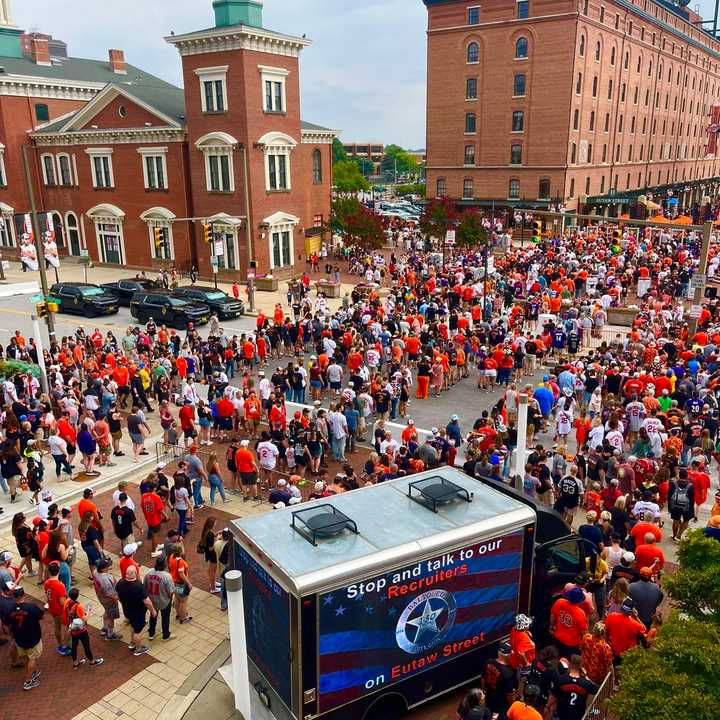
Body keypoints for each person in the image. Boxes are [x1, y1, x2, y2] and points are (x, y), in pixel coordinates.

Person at [5, 585, 44, 690]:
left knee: (27, 655)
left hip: (18, 638)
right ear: (23, 594)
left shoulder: (10, 609)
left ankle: (31, 672)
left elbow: (7, 623)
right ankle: (28, 681)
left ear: (14, 596)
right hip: (32, 638)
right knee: (32, 657)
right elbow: (41, 616)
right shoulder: (31, 607)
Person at [116, 565, 155, 656]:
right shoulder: (139, 586)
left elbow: (117, 595)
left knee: (133, 626)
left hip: (127, 611)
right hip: (138, 612)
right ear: (135, 573)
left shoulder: (120, 583)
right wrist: (153, 610)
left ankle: (132, 643)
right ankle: (138, 648)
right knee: (138, 631)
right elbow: (147, 601)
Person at [62, 587, 103, 668]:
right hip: (81, 630)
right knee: (86, 646)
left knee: (74, 645)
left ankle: (75, 663)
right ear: (77, 596)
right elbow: (85, 619)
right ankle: (92, 661)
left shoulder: (67, 602)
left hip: (73, 628)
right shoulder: (78, 607)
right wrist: (89, 612)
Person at [552, 654, 599, 720]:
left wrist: (548, 706)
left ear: (570, 664)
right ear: (580, 666)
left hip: (561, 714)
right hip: (578, 716)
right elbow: (595, 689)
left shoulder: (561, 679)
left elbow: (553, 696)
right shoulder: (585, 683)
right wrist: (586, 676)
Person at [604, 597, 648, 662]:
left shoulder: (611, 616)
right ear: (632, 611)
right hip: (628, 654)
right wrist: (636, 617)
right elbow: (644, 629)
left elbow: (606, 631)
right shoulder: (635, 624)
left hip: (614, 650)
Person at [481, 641, 518, 717]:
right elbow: (510, 694)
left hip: (489, 697)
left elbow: (483, 679)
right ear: (509, 655)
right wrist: (512, 708)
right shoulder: (508, 673)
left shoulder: (488, 662)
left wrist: (484, 690)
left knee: (489, 715)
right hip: (501, 703)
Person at [143, 555, 175, 642]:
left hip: (152, 600)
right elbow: (171, 591)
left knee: (153, 616)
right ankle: (165, 635)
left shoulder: (149, 572)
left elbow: (144, 586)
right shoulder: (167, 576)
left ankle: (151, 633)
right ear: (165, 565)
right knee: (165, 618)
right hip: (164, 601)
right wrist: (170, 599)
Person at [549, 588, 589, 657]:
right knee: (568, 661)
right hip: (572, 643)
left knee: (559, 656)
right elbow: (583, 631)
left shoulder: (559, 602)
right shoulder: (580, 613)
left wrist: (551, 626)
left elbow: (552, 616)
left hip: (558, 637)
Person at [91, 557, 122, 640]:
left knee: (107, 612)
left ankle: (104, 628)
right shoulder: (105, 579)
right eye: (108, 565)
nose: (110, 565)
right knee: (111, 617)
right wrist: (119, 599)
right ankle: (110, 634)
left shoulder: (95, 572)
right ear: (104, 569)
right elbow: (110, 594)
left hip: (101, 598)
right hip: (110, 601)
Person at [44, 561, 70, 656]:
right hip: (60, 610)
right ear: (58, 571)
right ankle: (66, 645)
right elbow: (63, 602)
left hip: (52, 608)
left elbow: (47, 595)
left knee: (57, 626)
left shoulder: (47, 582)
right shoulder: (60, 585)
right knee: (69, 626)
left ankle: (60, 644)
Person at [169, 544, 192, 624]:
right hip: (180, 583)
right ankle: (183, 617)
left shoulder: (172, 557)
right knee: (183, 601)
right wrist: (188, 583)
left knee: (177, 598)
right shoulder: (180, 562)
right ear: (180, 551)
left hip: (173, 582)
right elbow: (181, 574)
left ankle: (178, 614)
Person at [199, 516, 221, 593]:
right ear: (212, 524)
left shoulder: (206, 531)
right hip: (212, 555)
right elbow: (211, 548)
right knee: (212, 572)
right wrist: (217, 540)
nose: (216, 523)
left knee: (210, 570)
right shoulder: (210, 534)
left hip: (209, 555)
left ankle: (213, 583)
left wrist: (216, 534)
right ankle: (213, 587)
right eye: (215, 522)